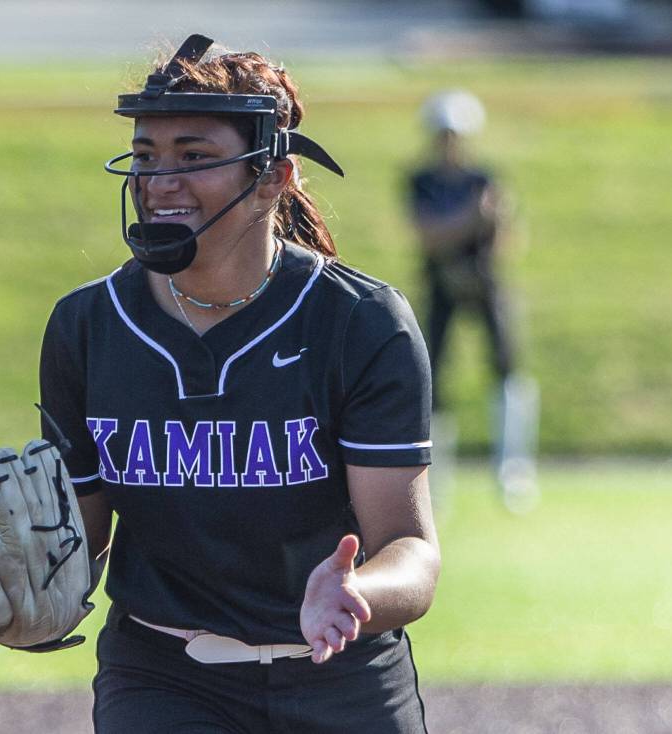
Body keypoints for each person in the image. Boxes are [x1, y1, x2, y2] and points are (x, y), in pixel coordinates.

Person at [40, 35, 439, 733]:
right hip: (162, 676)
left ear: (274, 178)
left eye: (194, 157)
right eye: (145, 157)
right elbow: (85, 540)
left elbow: (410, 550)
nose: (159, 181)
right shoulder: (87, 324)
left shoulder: (361, 321)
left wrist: (356, 592)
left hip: (343, 678)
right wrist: (18, 588)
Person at [406, 90, 539, 513]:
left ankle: (512, 473)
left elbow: (504, 238)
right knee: (433, 380)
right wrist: (471, 219)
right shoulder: (420, 180)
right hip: (441, 285)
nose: (450, 143)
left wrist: (485, 224)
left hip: (486, 285)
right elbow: (430, 235)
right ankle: (435, 482)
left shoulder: (484, 177)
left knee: (505, 370)